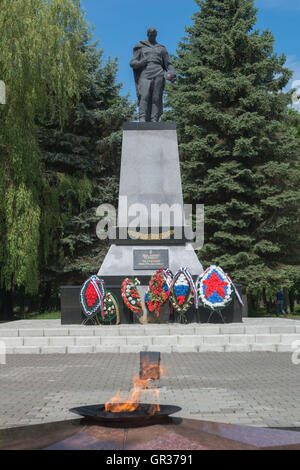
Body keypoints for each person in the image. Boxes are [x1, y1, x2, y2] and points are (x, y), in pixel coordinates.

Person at [130, 27, 176, 122]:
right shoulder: (141, 46)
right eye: (151, 34)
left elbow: (168, 64)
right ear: (148, 35)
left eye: (154, 35)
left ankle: (154, 119)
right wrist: (142, 62)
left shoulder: (161, 48)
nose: (152, 36)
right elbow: (132, 63)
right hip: (145, 73)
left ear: (156, 35)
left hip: (158, 73)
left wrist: (171, 72)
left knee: (156, 97)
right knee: (144, 95)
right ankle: (142, 118)